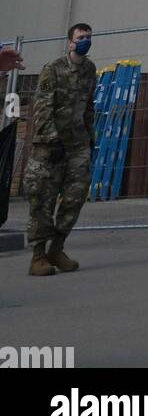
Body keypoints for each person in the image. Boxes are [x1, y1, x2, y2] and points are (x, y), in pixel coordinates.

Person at [23, 23, 96, 277]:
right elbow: (42, 108)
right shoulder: (53, 70)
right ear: (70, 42)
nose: (85, 40)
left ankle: (57, 248)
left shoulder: (89, 70)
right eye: (80, 37)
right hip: (51, 146)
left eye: (88, 37)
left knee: (75, 198)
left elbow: (88, 107)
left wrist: (90, 139)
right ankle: (38, 256)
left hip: (77, 145)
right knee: (43, 199)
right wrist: (52, 139)